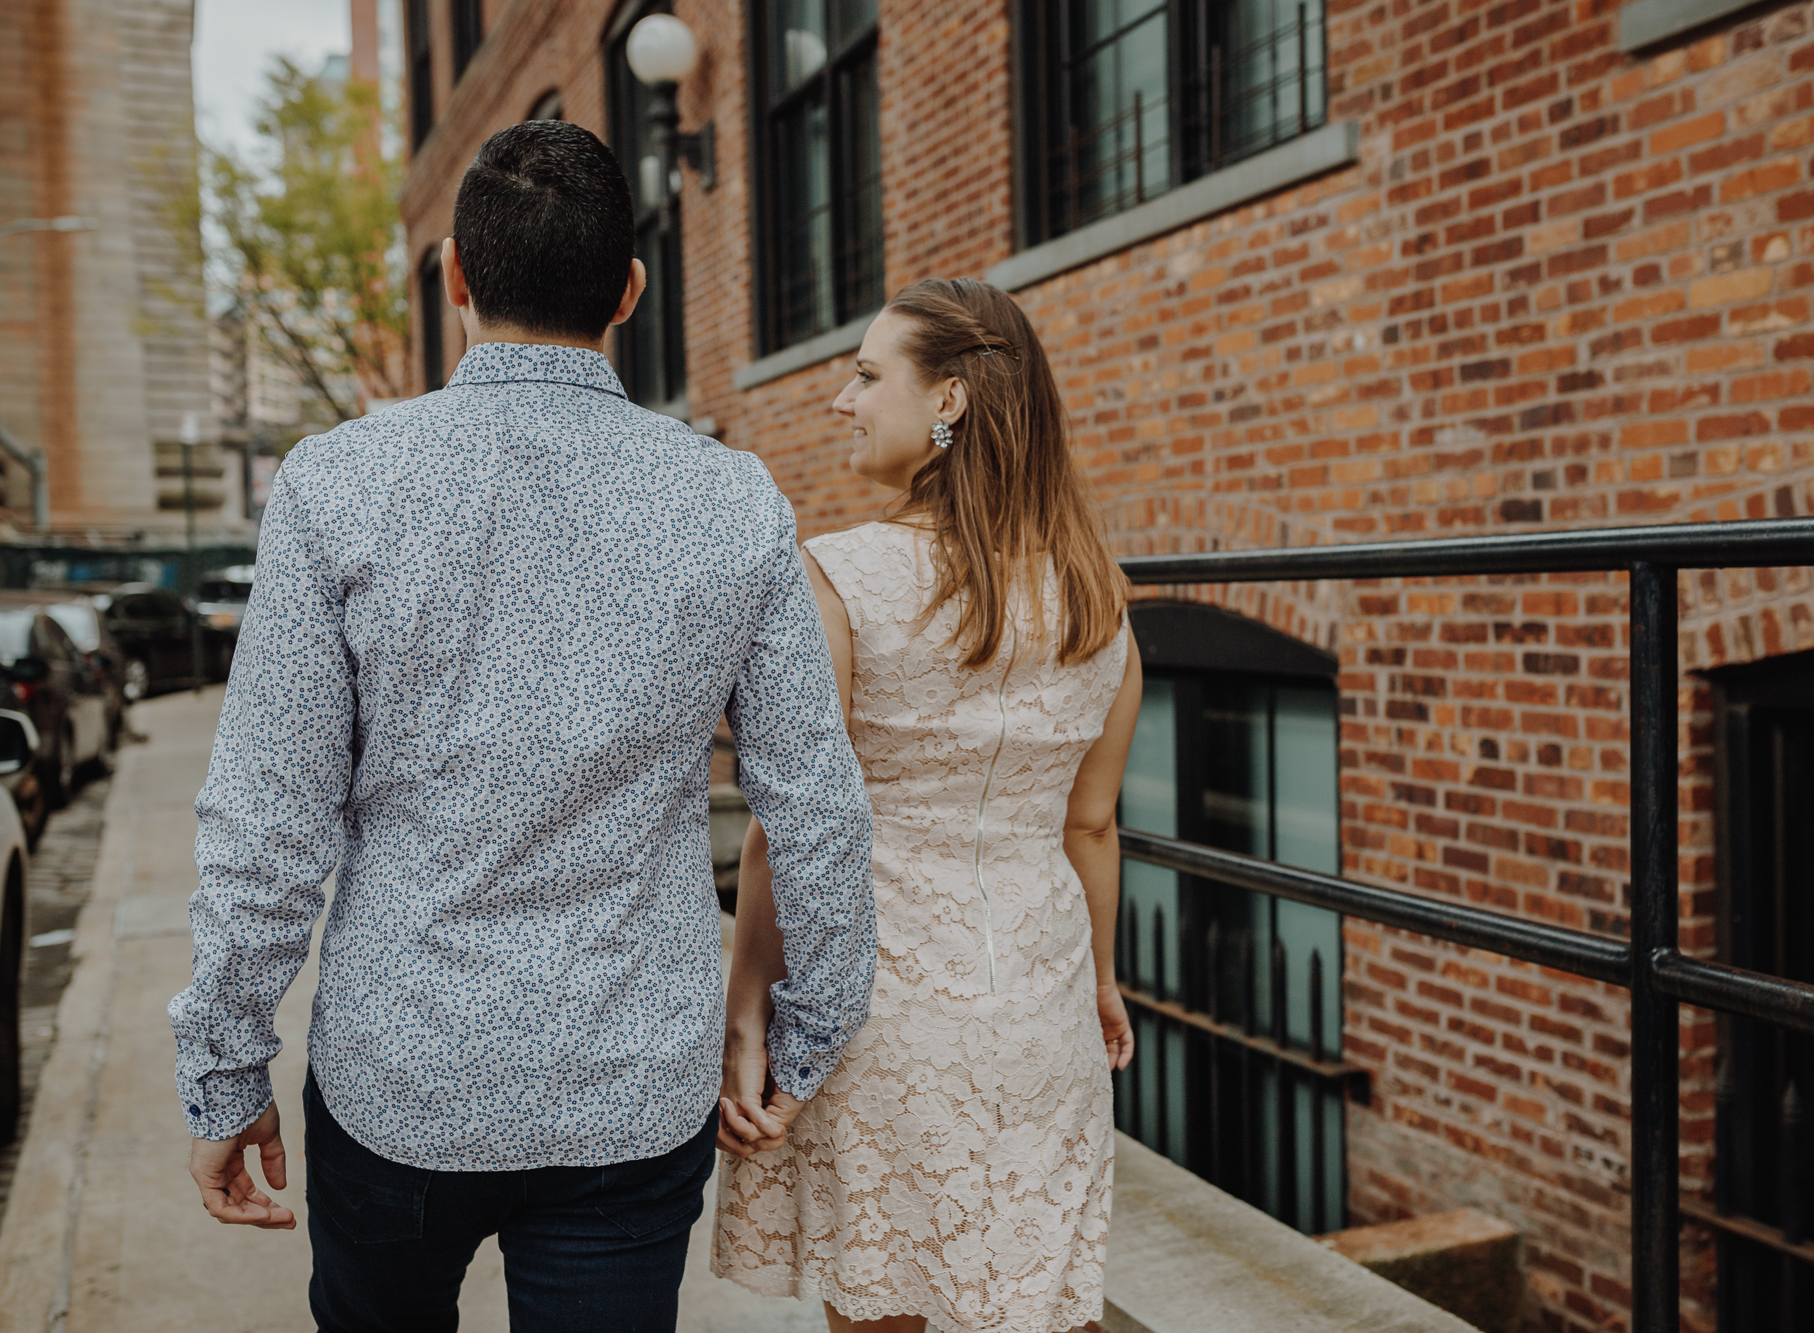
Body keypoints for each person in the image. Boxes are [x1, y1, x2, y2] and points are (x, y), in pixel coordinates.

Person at [168, 120, 876, 1333]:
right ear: (630, 292)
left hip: (403, 1079)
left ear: (453, 276)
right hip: (625, 1089)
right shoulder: (732, 497)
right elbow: (814, 806)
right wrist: (804, 1042)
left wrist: (224, 1072)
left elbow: (267, 819)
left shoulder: (336, 484)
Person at [711, 277, 1144, 1333]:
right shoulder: (1096, 595)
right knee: (1043, 1296)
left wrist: (745, 1010)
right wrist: (1102, 978)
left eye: (865, 375)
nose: (839, 399)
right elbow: (1088, 822)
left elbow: (785, 832)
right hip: (1042, 1002)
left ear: (947, 399)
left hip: (883, 1012)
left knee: (885, 1307)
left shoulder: (840, 579)